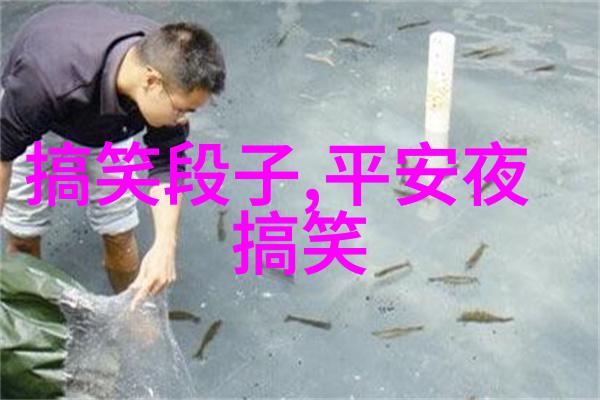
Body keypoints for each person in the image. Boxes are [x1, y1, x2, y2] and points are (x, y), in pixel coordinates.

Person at [0, 3, 226, 308]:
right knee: (24, 235)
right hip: (42, 115)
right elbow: (2, 156)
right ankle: (30, 315)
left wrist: (165, 244)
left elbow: (168, 165)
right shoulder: (42, 83)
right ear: (151, 82)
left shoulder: (168, 69)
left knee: (119, 232)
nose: (183, 120)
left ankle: (134, 314)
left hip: (112, 124)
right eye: (181, 110)